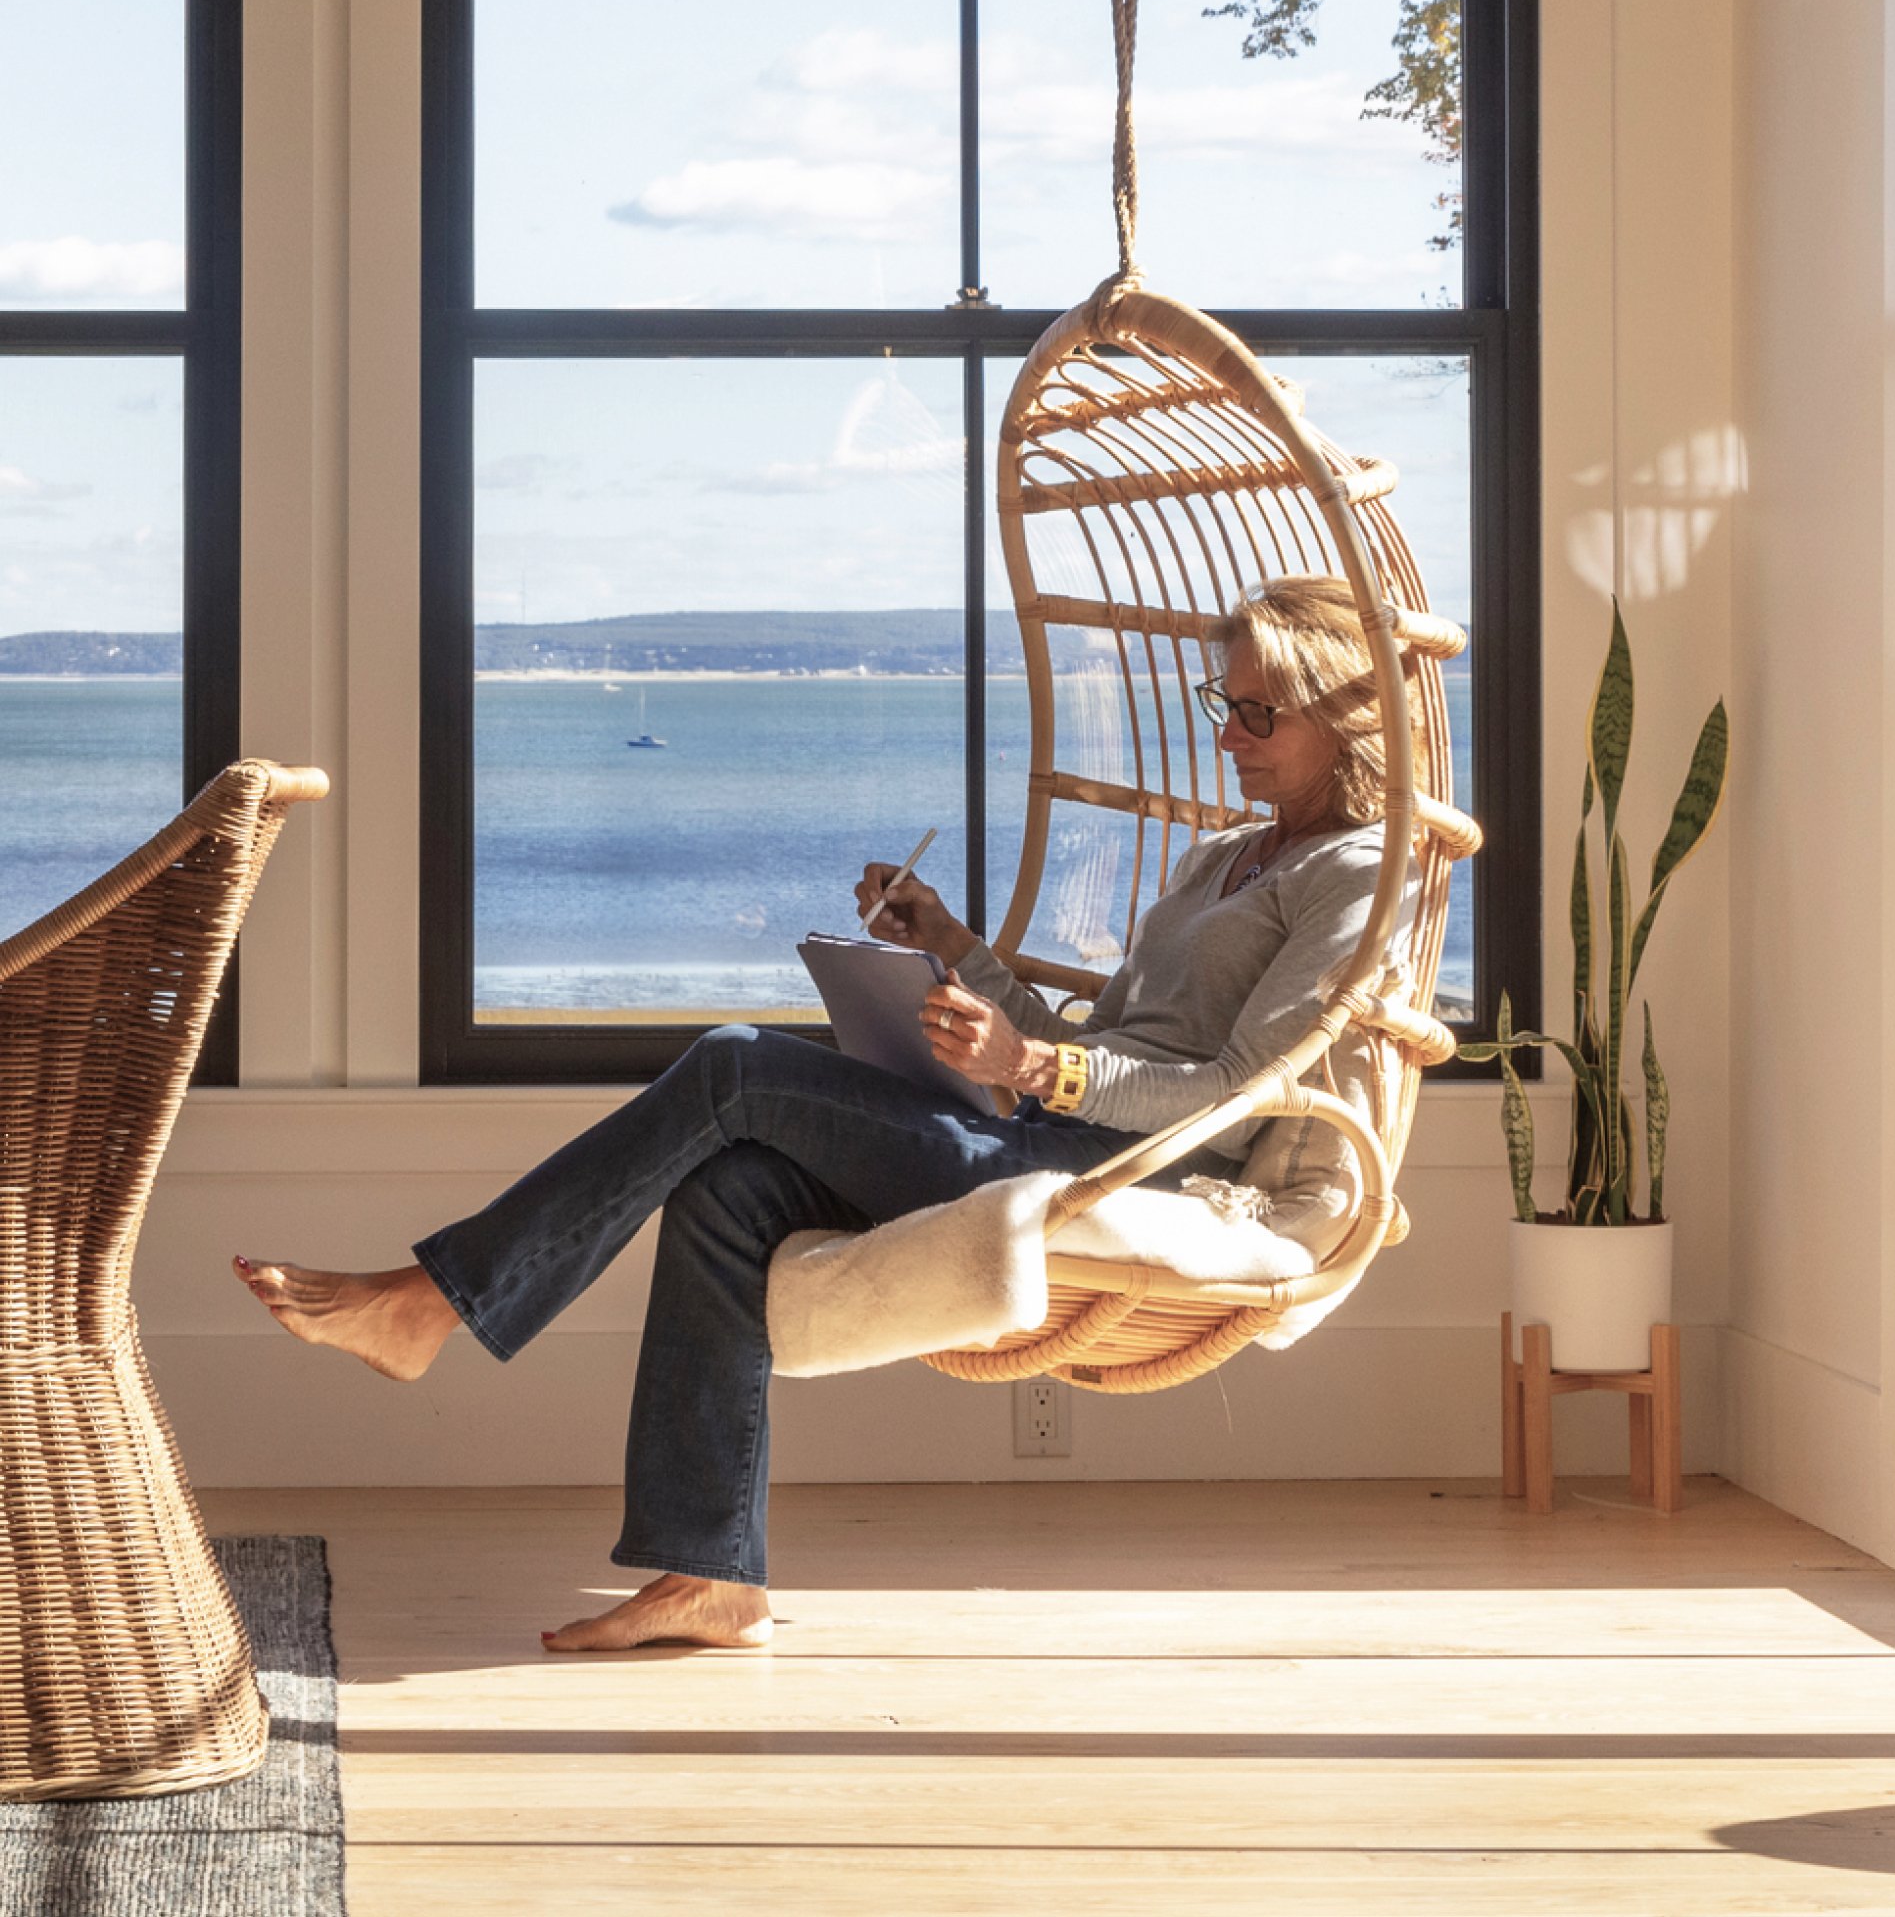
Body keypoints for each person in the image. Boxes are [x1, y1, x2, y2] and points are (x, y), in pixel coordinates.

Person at [233, 575, 1410, 1651]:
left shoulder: (1354, 874)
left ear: (1340, 715)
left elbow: (1238, 1098)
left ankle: (437, 1300)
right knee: (727, 1186)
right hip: (1060, 1126)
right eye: (1227, 702)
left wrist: (1037, 1070)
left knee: (735, 1064)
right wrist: (947, 946)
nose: (1228, 734)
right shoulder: (1225, 860)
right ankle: (710, 1574)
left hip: (1129, 1170)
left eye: (1261, 714)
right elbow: (1113, 1034)